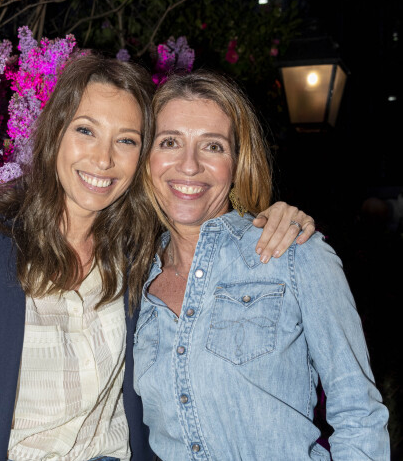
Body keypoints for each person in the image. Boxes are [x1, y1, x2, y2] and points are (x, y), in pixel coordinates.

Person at [0, 56, 314, 461]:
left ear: (143, 157)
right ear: (56, 130)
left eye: (126, 140)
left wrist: (278, 215)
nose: (103, 159)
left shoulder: (142, 245)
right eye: (86, 130)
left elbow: (207, 211)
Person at [132, 69, 390, 460]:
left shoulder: (294, 252)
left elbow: (359, 412)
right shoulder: (129, 279)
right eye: (169, 142)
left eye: (213, 146)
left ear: (236, 162)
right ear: (145, 159)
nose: (189, 165)